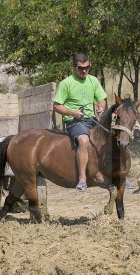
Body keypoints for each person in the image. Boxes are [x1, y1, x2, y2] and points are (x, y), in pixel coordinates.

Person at [53, 53, 107, 192]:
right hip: (74, 121)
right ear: (74, 67)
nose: (84, 71)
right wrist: (73, 112)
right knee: (83, 140)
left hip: (92, 120)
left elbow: (102, 99)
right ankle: (82, 180)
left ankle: (118, 176)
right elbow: (56, 106)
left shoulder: (93, 80)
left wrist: (101, 108)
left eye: (87, 67)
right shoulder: (66, 83)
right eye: (81, 68)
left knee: (111, 138)